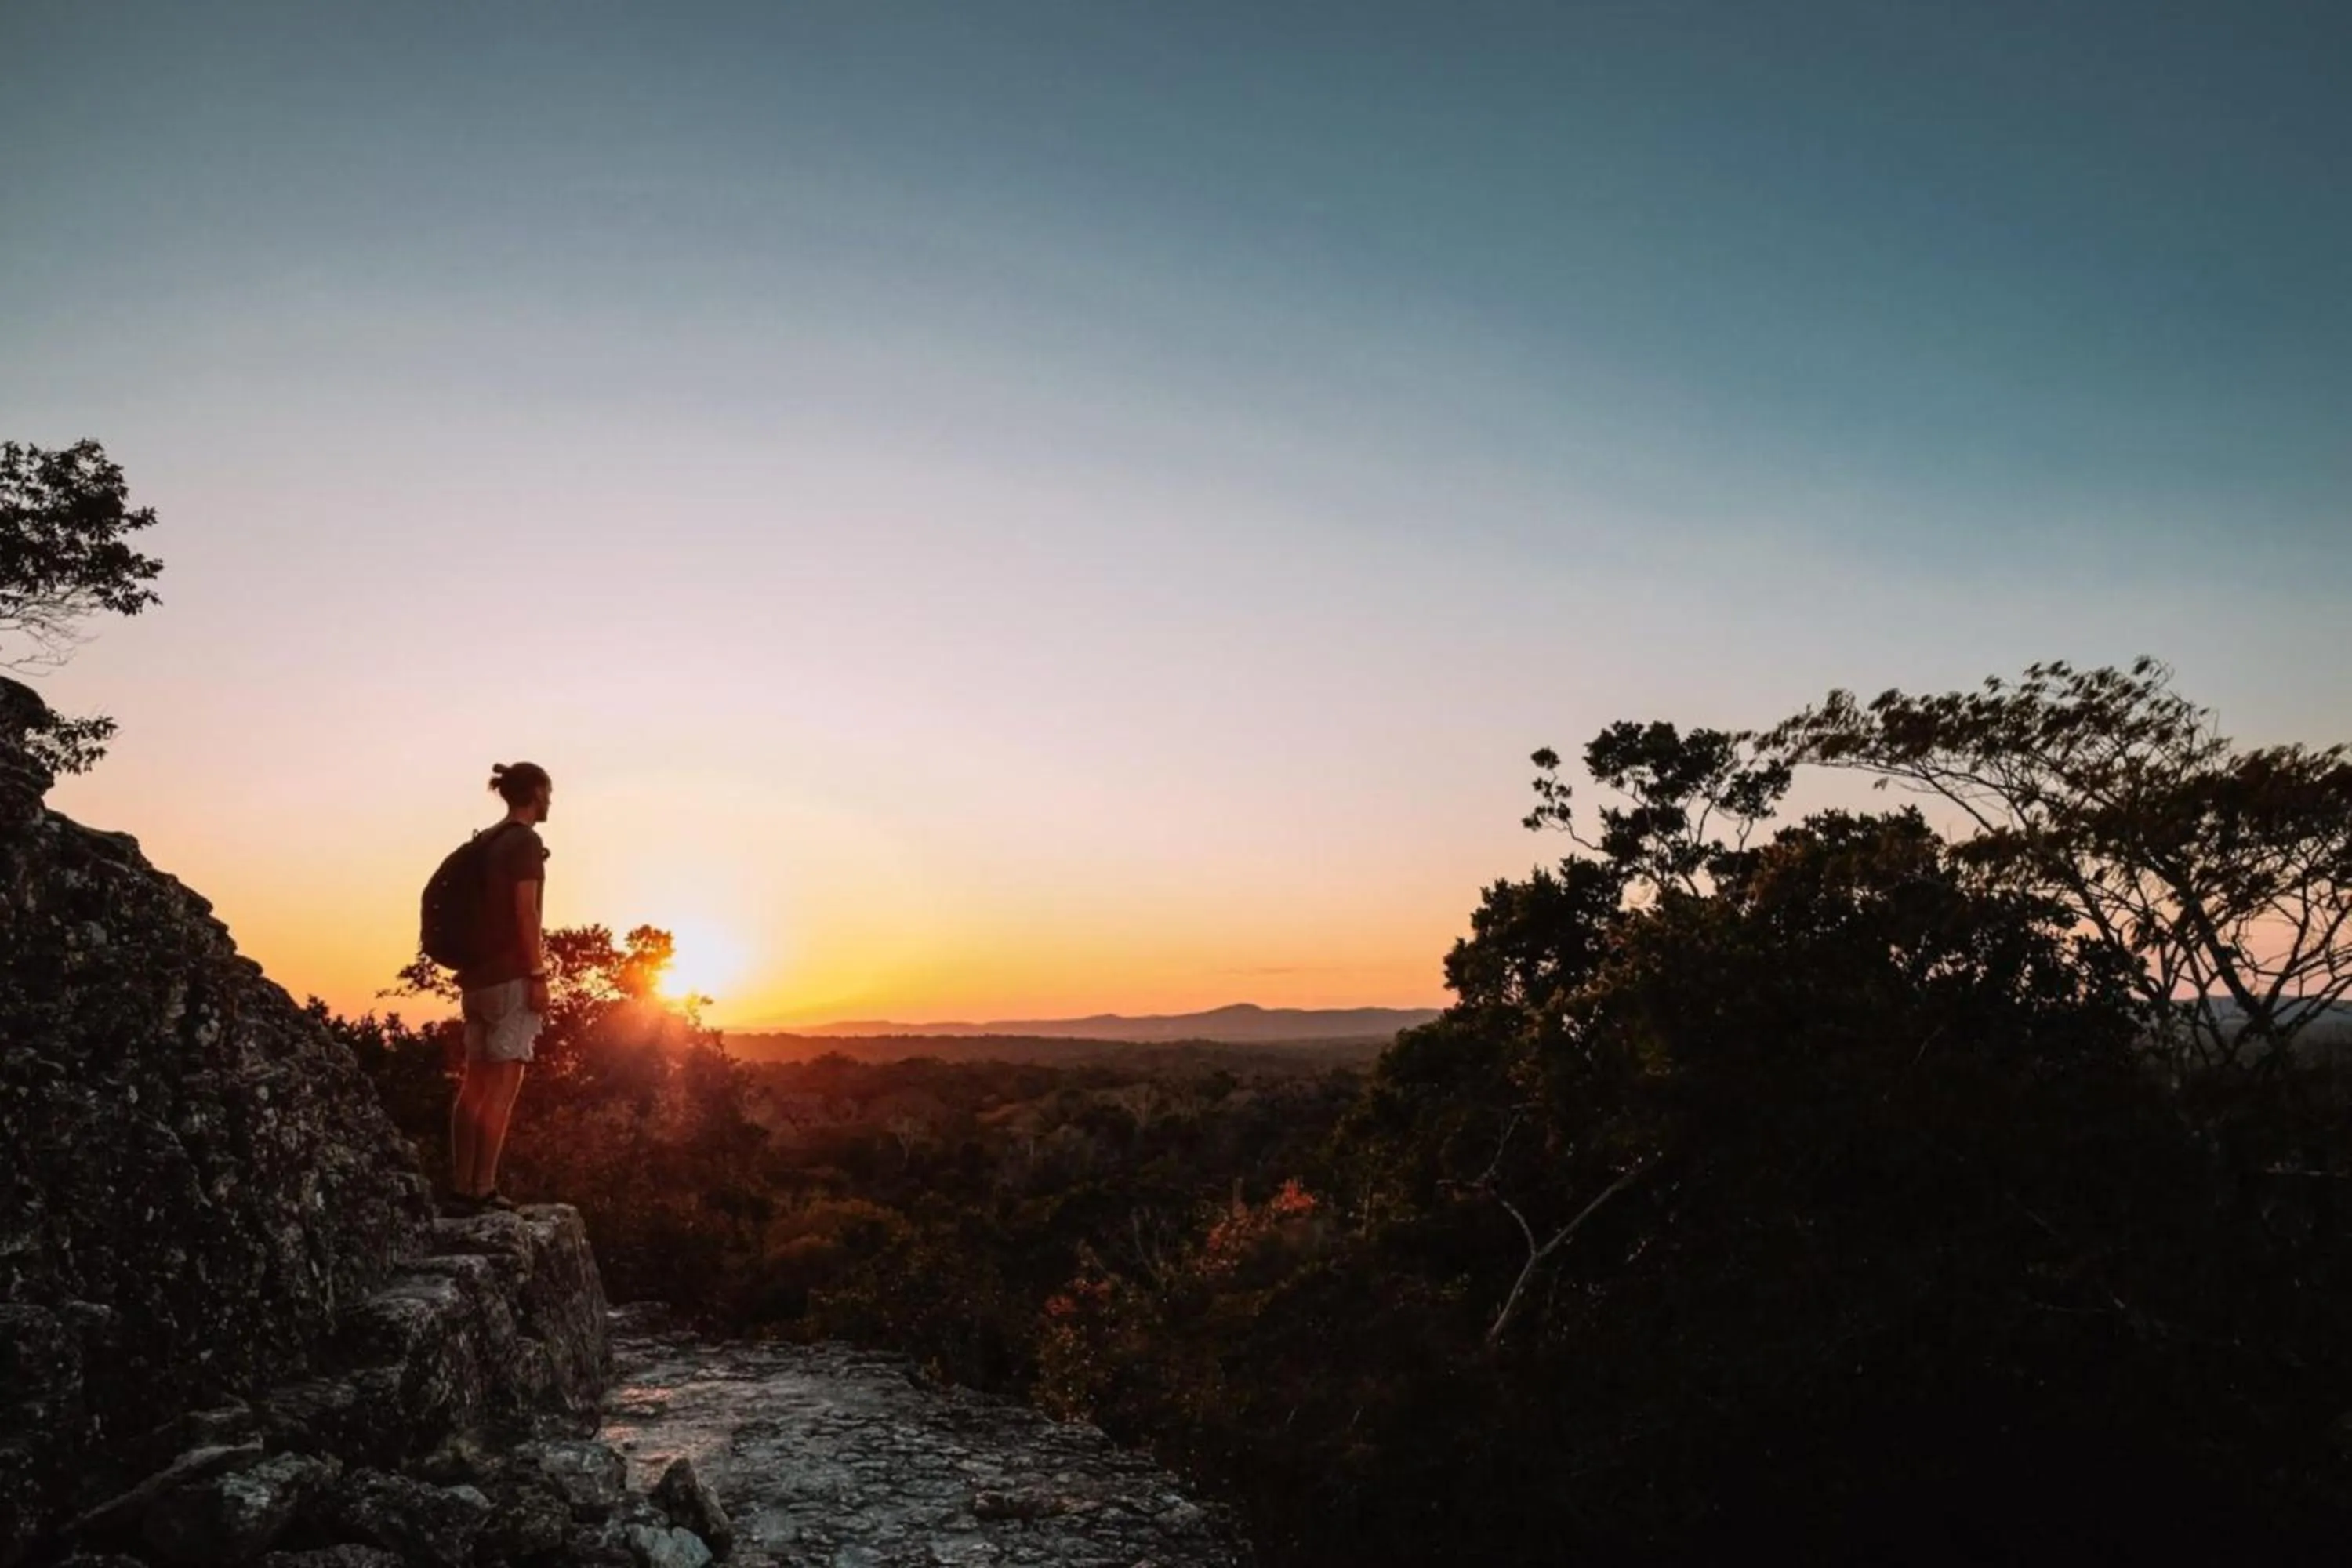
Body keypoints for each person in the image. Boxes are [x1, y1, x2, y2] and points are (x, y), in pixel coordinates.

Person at [447, 760, 552, 1214]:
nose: (551, 801)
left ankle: (461, 1185)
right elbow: (525, 913)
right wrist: (538, 973)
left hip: (475, 981)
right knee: (504, 1087)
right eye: (548, 792)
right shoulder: (525, 842)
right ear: (535, 792)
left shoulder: (487, 842)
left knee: (473, 1086)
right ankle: (484, 1188)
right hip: (510, 978)